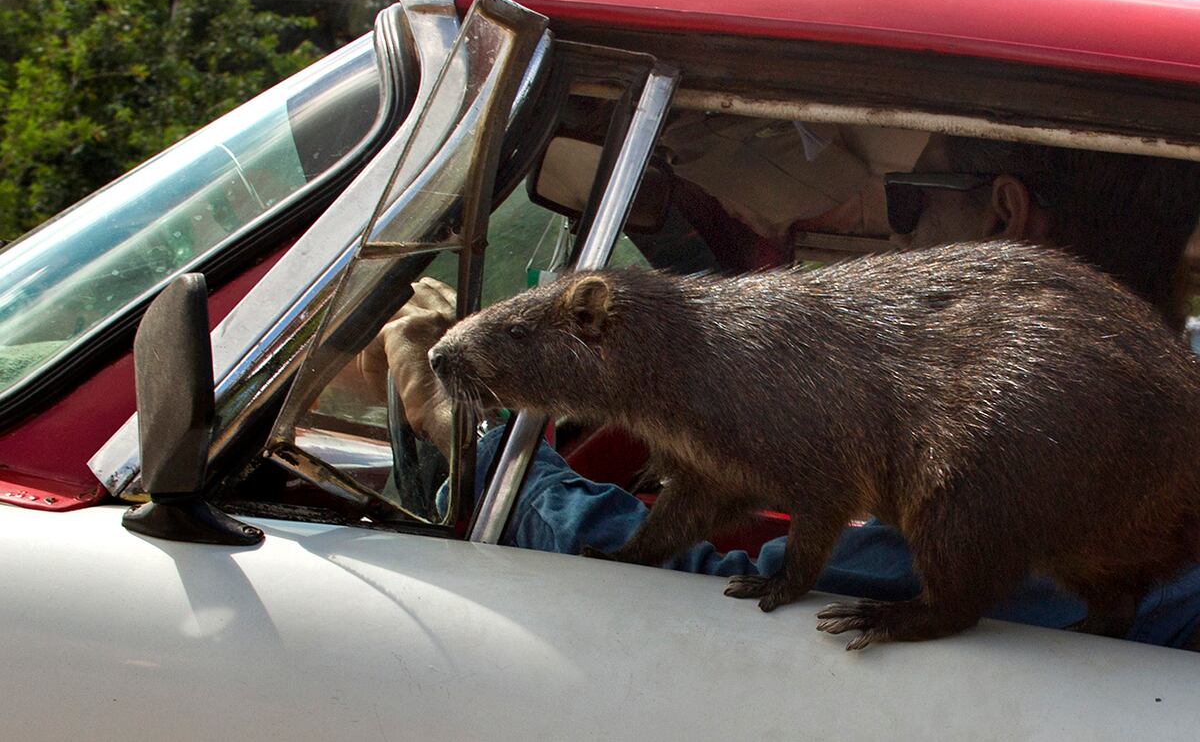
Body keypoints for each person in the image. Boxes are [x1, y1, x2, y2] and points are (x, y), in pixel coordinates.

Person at [360, 135, 1200, 649]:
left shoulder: (1017, 463)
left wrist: (470, 450)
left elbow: (720, 585)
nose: (895, 236)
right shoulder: (1118, 445)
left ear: (1006, 217)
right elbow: (724, 490)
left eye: (908, 204)